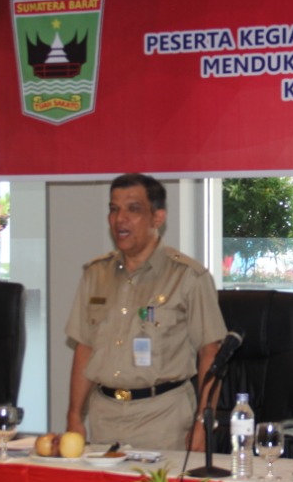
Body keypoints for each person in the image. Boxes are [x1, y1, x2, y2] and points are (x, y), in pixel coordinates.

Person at [65, 173, 226, 451]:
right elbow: (85, 348)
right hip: (105, 418)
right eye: (114, 209)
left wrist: (203, 420)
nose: (120, 219)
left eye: (133, 209)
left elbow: (210, 353)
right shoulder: (95, 274)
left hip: (163, 420)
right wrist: (74, 416)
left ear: (157, 218)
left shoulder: (188, 276)